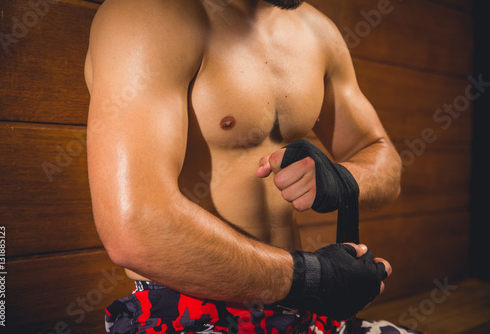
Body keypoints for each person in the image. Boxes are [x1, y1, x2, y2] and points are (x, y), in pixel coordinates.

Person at [84, 0, 420, 333]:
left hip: (302, 307)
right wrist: (314, 278)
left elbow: (382, 158)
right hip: (187, 312)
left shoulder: (317, 32)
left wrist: (343, 179)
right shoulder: (148, 14)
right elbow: (135, 227)